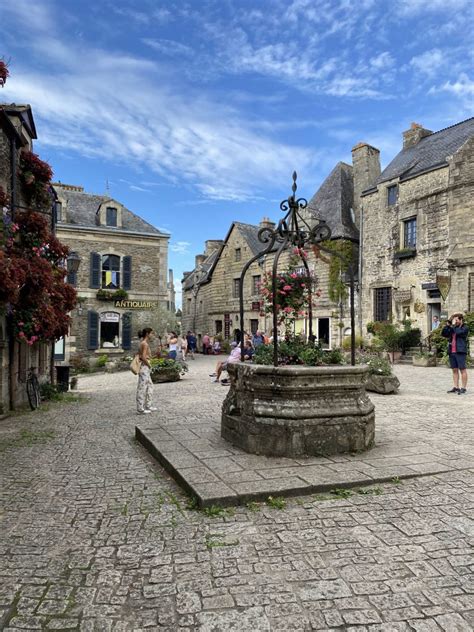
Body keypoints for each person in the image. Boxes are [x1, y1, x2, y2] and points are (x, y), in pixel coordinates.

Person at [442, 313, 469, 394]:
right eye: (455, 320)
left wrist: (452, 326)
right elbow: (444, 333)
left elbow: (458, 332)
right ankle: (456, 387)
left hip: (460, 351)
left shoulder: (465, 328)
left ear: (461, 320)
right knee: (454, 370)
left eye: (457, 320)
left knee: (462, 369)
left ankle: (463, 388)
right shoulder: (453, 327)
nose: (455, 322)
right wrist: (448, 324)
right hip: (452, 351)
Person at [136, 328, 157, 414]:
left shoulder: (143, 343)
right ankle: (140, 408)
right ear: (147, 334)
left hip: (144, 367)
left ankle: (148, 405)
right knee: (142, 387)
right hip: (144, 367)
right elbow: (144, 357)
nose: (153, 335)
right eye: (152, 333)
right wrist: (149, 365)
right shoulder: (144, 344)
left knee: (150, 386)